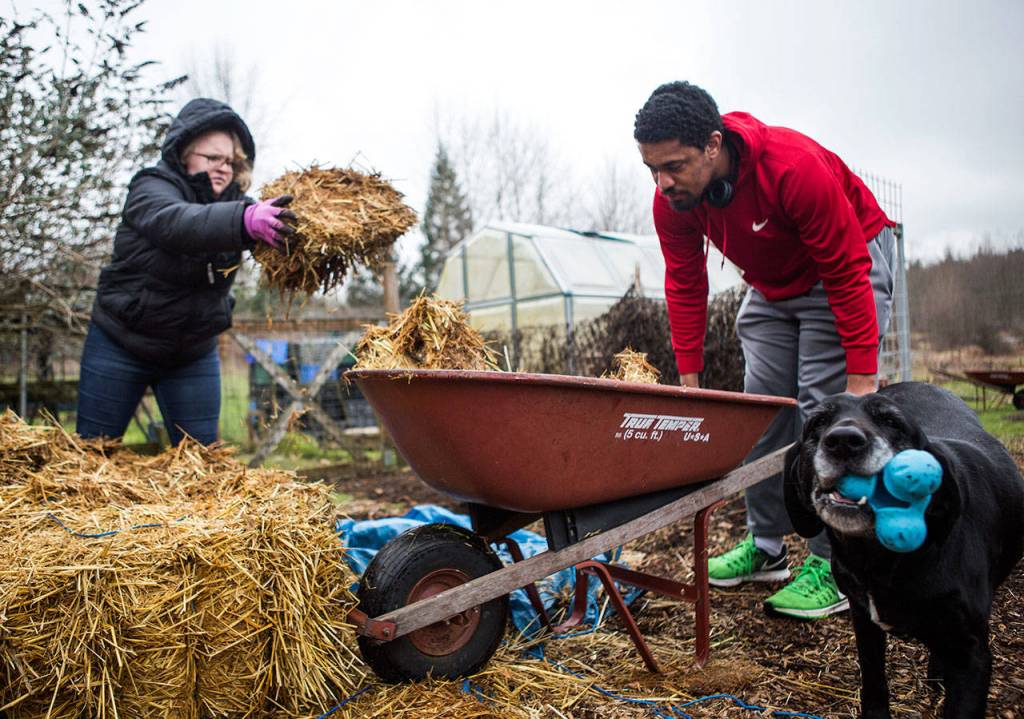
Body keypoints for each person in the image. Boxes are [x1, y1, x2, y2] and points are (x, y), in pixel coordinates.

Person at [633, 81, 897, 619]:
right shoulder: (675, 201)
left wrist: (861, 387)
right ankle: (767, 547)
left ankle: (834, 563)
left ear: (713, 144)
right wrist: (690, 381)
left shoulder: (791, 167)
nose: (663, 183)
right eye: (651, 170)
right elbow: (685, 282)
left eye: (674, 166)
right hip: (774, 286)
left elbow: (847, 270)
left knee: (824, 412)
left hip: (845, 265)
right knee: (762, 412)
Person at [76, 98, 295, 446]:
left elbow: (273, 226)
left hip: (191, 353)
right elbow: (178, 224)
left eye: (230, 161)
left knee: (201, 465)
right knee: (92, 456)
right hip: (122, 342)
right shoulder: (151, 188)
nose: (223, 168)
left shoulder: (238, 206)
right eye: (212, 158)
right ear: (184, 153)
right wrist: (241, 221)